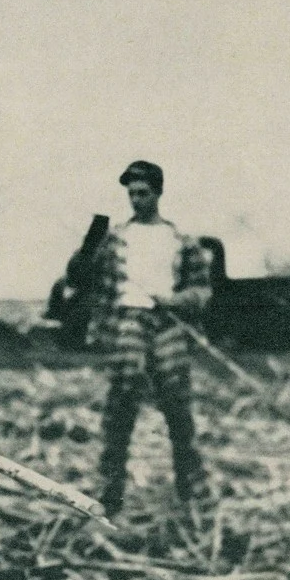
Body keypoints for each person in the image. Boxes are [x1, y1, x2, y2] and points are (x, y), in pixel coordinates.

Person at [87, 160, 212, 519]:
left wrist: (176, 300)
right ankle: (108, 494)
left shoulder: (181, 241)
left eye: (143, 193)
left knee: (178, 409)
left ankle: (193, 494)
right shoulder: (116, 239)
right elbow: (91, 281)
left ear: (158, 193)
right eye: (131, 193)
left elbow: (202, 291)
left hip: (167, 324)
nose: (136, 199)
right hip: (129, 323)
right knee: (120, 409)